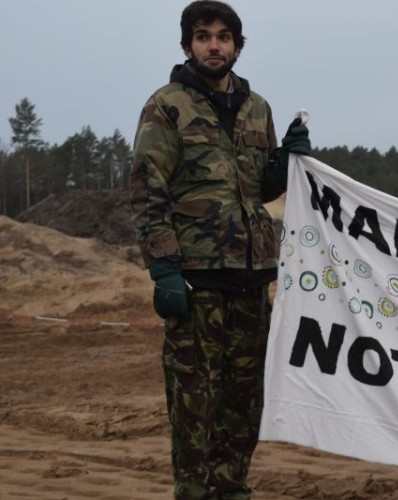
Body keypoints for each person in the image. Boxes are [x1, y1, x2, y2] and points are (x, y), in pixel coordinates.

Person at [129, 1, 310, 498]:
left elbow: (260, 191)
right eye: (204, 36)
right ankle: (193, 492)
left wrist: (286, 162)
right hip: (197, 283)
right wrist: (164, 269)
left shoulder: (258, 108)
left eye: (224, 37)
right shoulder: (168, 105)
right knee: (194, 408)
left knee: (244, 405)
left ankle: (233, 490)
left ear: (236, 45)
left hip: (252, 283)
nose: (214, 45)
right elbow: (149, 189)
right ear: (188, 44)